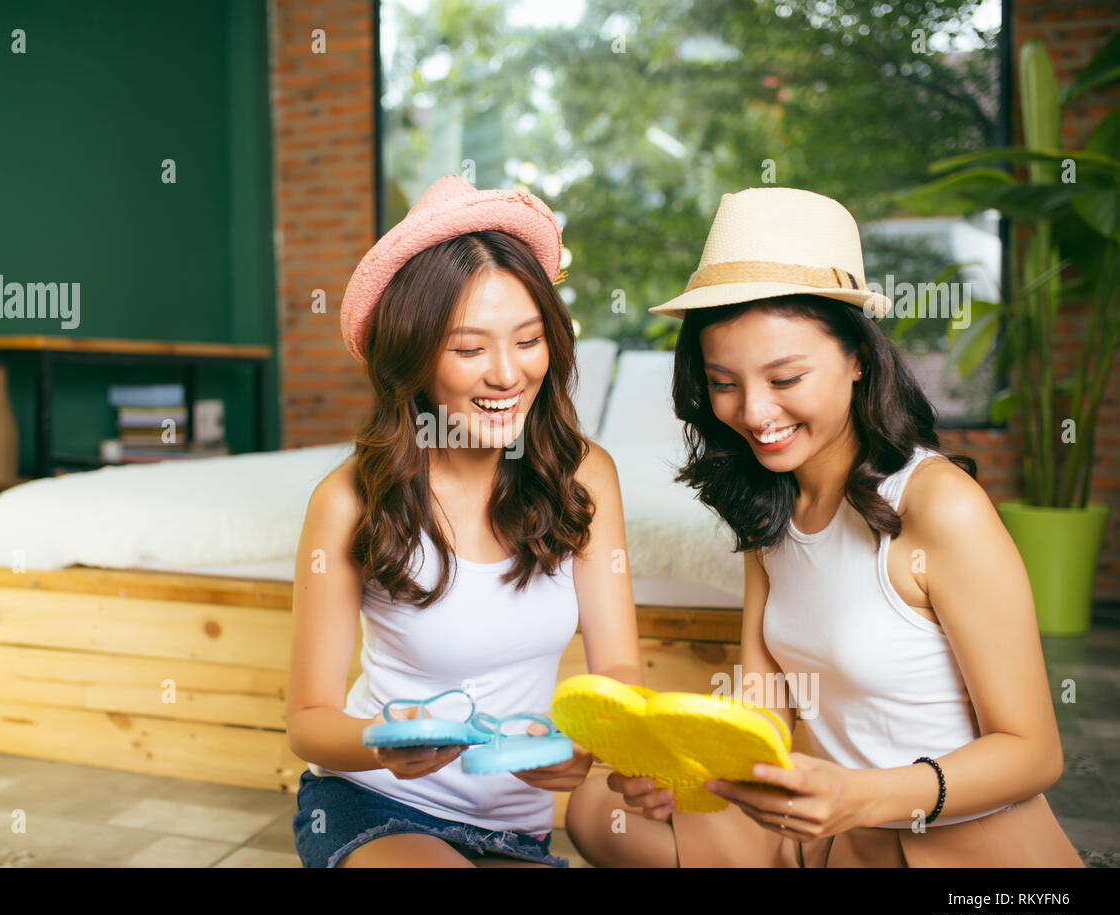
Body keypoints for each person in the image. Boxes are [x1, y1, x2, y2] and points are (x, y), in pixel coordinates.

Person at [565, 186, 1084, 867]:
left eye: (786, 377)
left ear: (858, 357)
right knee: (598, 808)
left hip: (963, 850)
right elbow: (762, 722)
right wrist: (684, 774)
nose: (754, 413)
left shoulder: (940, 507)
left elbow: (1035, 753)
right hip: (837, 835)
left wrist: (864, 796)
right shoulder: (767, 504)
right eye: (724, 382)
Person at [287, 174, 644, 868]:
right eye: (469, 348)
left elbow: (620, 664)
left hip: (518, 829)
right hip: (373, 805)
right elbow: (309, 721)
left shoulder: (585, 477)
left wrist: (596, 737)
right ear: (416, 358)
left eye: (529, 339)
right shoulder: (348, 500)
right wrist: (388, 743)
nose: (507, 374)